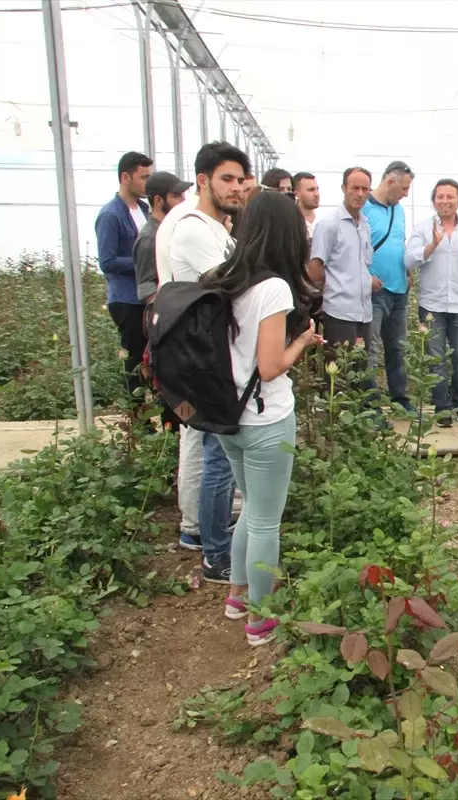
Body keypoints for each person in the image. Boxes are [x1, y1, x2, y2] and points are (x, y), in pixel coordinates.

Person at [200, 191, 323, 646]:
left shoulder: (221, 278)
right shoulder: (273, 288)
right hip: (266, 419)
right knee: (266, 521)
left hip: (228, 416)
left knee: (251, 509)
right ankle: (261, 618)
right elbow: (270, 365)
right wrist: (304, 342)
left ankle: (237, 596)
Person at [163, 141, 249, 582]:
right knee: (215, 452)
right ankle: (215, 553)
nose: (236, 188)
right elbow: (233, 284)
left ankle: (214, 532)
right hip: (204, 355)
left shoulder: (222, 229)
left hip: (219, 351)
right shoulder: (195, 229)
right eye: (226, 179)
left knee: (220, 451)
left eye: (240, 180)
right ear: (203, 181)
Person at [406, 179, 458, 427]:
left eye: (450, 197)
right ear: (434, 200)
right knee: (435, 359)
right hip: (431, 306)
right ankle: (442, 409)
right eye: (440, 196)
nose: (445, 201)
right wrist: (432, 245)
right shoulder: (423, 227)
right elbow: (408, 260)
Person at [95, 151, 153, 406]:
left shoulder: (143, 209)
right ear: (125, 177)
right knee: (133, 362)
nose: (147, 184)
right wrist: (144, 264)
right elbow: (107, 262)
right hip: (127, 299)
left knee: (150, 358)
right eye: (143, 177)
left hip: (145, 296)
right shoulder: (111, 214)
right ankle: (138, 421)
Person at [308, 167, 374, 362]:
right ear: (344, 188)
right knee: (339, 375)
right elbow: (315, 268)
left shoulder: (365, 225)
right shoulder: (329, 224)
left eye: (365, 189)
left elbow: (362, 264)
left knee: (359, 372)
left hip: (364, 313)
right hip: (339, 312)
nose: (360, 194)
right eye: (355, 188)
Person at [364, 161, 415, 409]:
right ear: (390, 181)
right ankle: (371, 406)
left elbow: (399, 242)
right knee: (371, 351)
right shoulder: (363, 208)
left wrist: (406, 272)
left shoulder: (399, 210)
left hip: (399, 291)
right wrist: (366, 276)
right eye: (404, 188)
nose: (405, 194)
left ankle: (400, 399)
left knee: (397, 349)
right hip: (375, 292)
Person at [134, 170, 192, 304]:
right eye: (177, 196)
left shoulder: (177, 228)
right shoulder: (149, 237)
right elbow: (147, 289)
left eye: (183, 194)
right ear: (158, 200)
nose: (183, 200)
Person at [293, 171, 320, 243]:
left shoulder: (325, 220)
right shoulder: (290, 223)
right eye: (311, 190)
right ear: (297, 194)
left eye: (317, 189)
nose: (316, 194)